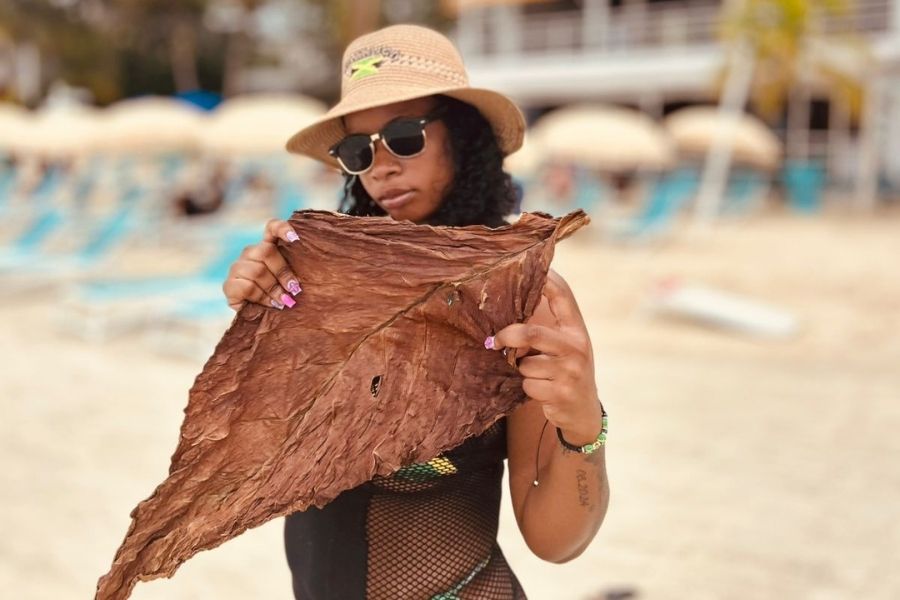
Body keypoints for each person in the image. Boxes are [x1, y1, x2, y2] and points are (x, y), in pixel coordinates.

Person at [221, 24, 609, 600]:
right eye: (357, 150)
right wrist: (261, 321)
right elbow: (259, 459)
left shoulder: (517, 296)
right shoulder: (332, 285)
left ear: (465, 136)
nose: (380, 167)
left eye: (403, 137)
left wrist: (583, 426)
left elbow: (556, 542)